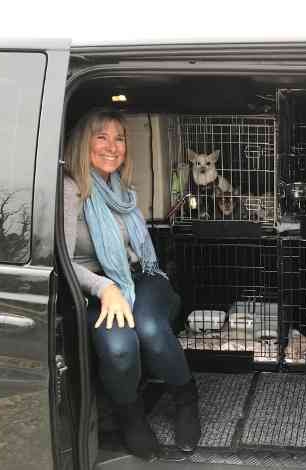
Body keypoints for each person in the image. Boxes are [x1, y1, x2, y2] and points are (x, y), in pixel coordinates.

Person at [63, 108, 201, 460]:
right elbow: (61, 259)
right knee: (120, 349)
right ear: (83, 142)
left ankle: (186, 399)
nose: (113, 146)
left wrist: (122, 283)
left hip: (141, 276)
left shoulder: (121, 188)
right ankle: (131, 417)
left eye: (119, 138)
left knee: (151, 329)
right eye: (101, 136)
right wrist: (105, 288)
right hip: (94, 286)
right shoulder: (69, 191)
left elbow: (139, 250)